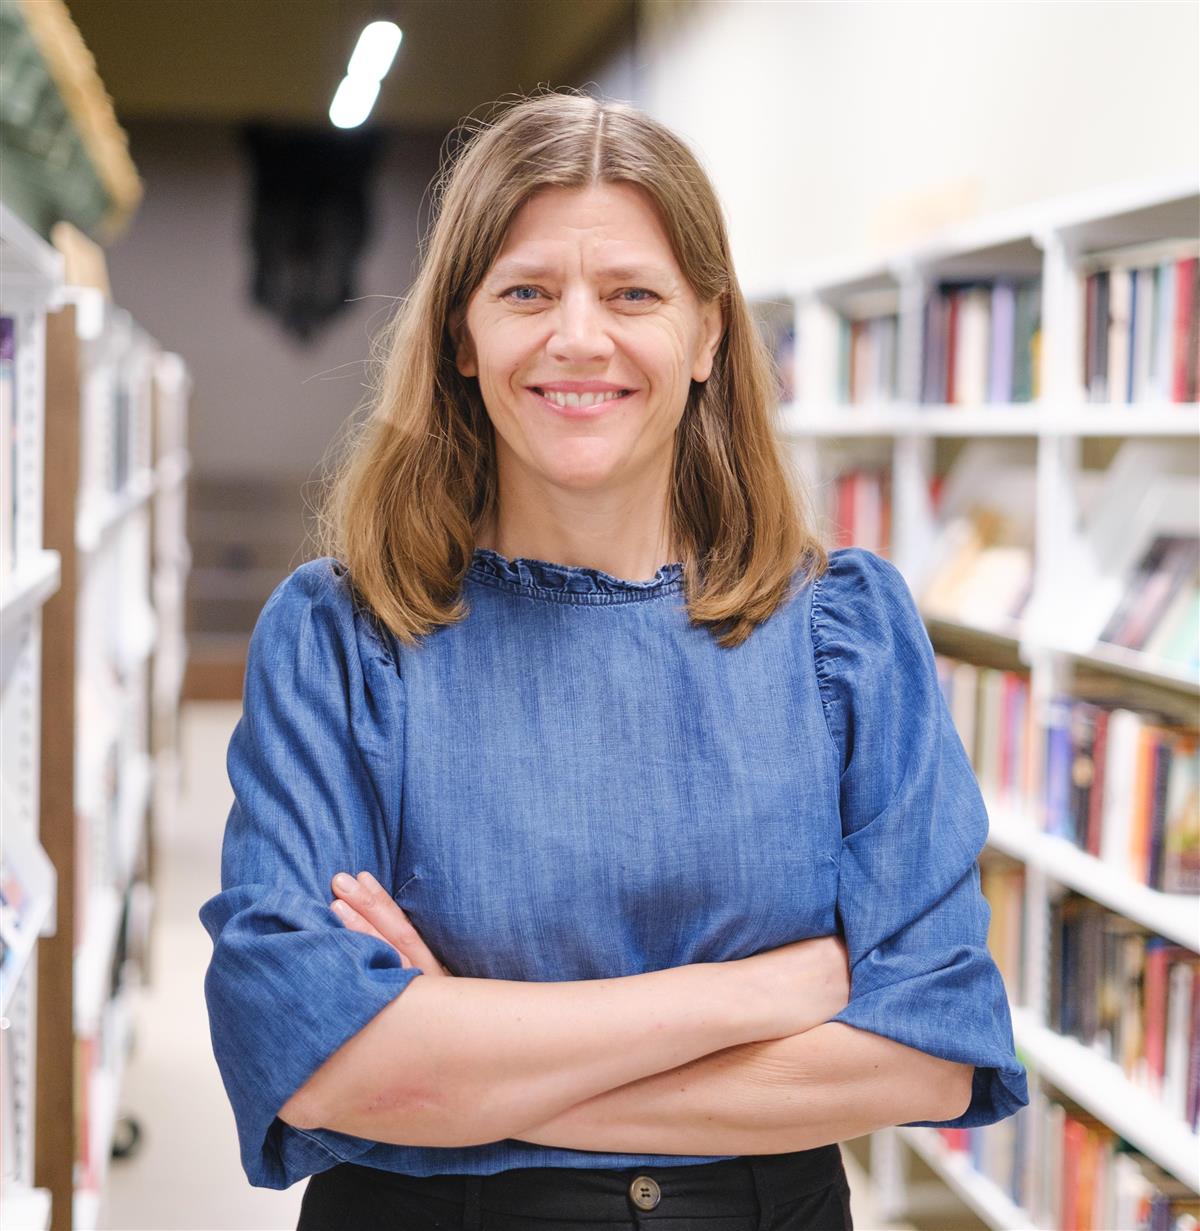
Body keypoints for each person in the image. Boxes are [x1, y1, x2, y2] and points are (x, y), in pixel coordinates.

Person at [199, 90, 1029, 1231]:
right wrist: (756, 993)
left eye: (633, 293)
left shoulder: (847, 634)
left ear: (709, 333)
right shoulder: (342, 639)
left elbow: (926, 1056)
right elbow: (307, 1057)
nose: (579, 338)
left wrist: (456, 1061)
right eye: (527, 292)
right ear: (461, 334)